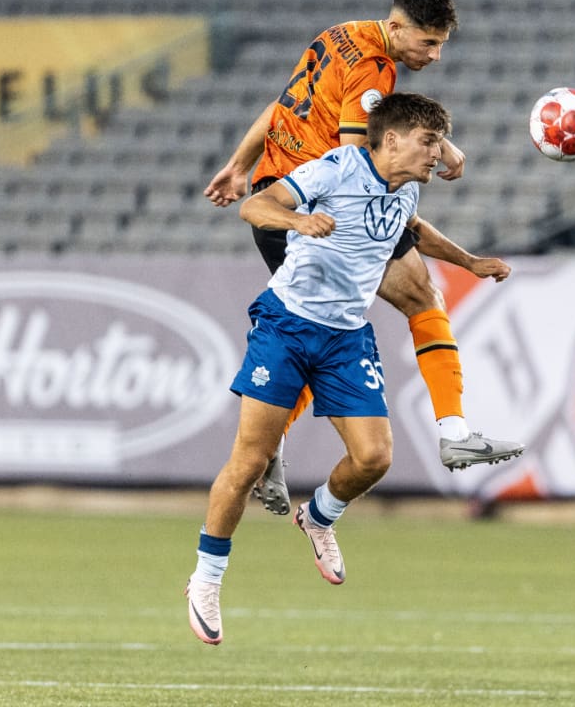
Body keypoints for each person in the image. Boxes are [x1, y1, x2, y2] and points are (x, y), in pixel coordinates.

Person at [186, 93, 511, 645]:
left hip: (345, 336)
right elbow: (255, 207)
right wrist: (299, 220)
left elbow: (413, 228)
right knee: (249, 461)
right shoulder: (336, 167)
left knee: (375, 457)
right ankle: (206, 578)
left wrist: (470, 262)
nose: (437, 155)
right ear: (391, 140)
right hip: (287, 326)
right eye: (428, 142)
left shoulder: (403, 185)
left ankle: (318, 516)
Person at [203, 0, 523, 515]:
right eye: (427, 43)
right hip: (310, 210)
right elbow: (362, 163)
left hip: (276, 195)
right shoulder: (376, 69)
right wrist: (439, 145)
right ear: (396, 28)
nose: (435, 56)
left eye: (441, 43)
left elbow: (281, 106)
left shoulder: (337, 36)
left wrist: (239, 164)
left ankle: (273, 444)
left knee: (321, 323)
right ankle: (453, 430)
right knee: (420, 300)